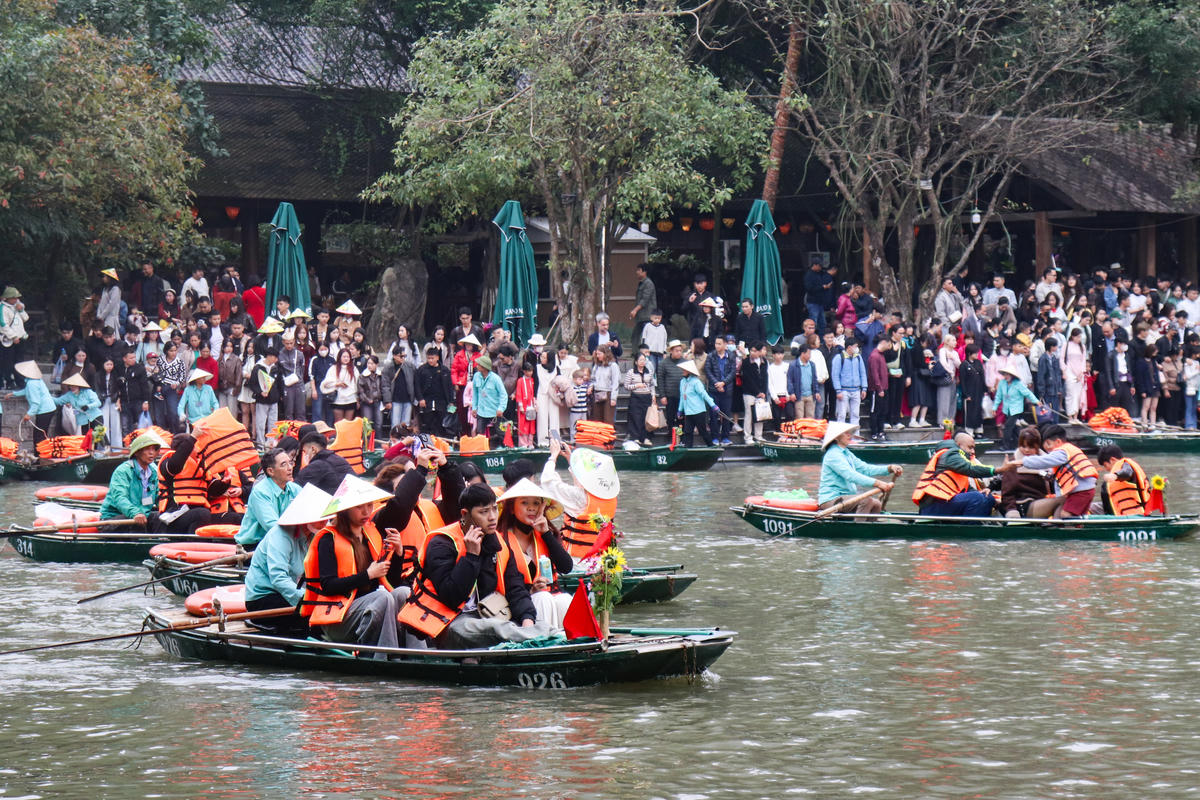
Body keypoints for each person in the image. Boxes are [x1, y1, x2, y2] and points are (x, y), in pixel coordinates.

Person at [300, 475, 412, 656]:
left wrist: (398, 553)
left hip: (369, 611)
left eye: (369, 505)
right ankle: (387, 657)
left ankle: (417, 654)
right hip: (338, 618)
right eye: (359, 507)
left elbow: (390, 581)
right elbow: (328, 586)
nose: (366, 512)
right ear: (345, 510)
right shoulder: (328, 539)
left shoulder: (370, 533)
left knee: (403, 593)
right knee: (383, 599)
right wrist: (367, 575)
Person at [495, 478, 575, 631]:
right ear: (511, 508)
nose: (531, 508)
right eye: (524, 503)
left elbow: (566, 567)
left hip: (546, 599)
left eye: (536, 503)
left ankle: (568, 645)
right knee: (543, 598)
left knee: (564, 599)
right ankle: (541, 644)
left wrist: (546, 533)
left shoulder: (546, 535)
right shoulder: (501, 540)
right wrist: (531, 590)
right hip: (515, 607)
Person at [541, 441, 619, 559]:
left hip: (576, 560)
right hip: (599, 561)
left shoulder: (580, 498)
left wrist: (553, 457)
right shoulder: (611, 498)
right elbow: (583, 488)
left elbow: (548, 482)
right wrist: (570, 458)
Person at [912, 432, 1014, 517]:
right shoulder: (950, 454)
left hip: (941, 504)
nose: (973, 451)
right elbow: (971, 469)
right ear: (959, 445)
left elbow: (966, 488)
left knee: (987, 497)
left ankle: (974, 527)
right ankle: (970, 530)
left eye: (974, 448)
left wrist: (994, 500)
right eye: (970, 448)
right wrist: (999, 469)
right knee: (978, 498)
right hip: (933, 506)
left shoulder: (957, 459)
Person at [1014, 424, 1098, 519]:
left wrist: (1023, 461)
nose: (1047, 448)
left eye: (1049, 444)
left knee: (1066, 515)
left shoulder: (1062, 451)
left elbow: (1045, 461)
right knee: (1077, 516)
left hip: (1081, 491)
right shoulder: (1069, 449)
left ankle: (1067, 532)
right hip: (1086, 489)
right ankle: (1066, 528)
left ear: (1058, 441)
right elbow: (1053, 469)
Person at [817, 422, 901, 514]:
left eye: (850, 432)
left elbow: (865, 468)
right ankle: (859, 527)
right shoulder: (833, 454)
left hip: (846, 497)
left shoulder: (846, 453)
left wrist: (889, 468)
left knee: (876, 504)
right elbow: (851, 475)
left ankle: (871, 526)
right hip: (831, 499)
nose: (850, 435)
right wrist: (878, 483)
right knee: (866, 501)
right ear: (837, 437)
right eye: (846, 433)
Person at [236, 448, 301, 546]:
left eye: (290, 463)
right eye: (284, 465)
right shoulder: (260, 492)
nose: (290, 468)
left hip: (281, 541)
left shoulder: (294, 488)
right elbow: (272, 526)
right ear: (270, 471)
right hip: (255, 545)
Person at [98, 432, 164, 526]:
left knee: (161, 518)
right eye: (147, 449)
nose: (151, 453)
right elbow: (120, 498)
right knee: (137, 525)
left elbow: (160, 495)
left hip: (142, 515)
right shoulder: (123, 471)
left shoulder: (153, 472)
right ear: (137, 452)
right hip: (114, 517)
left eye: (153, 449)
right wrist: (135, 513)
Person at [998, 426, 1055, 518]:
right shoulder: (1012, 463)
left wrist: (1051, 478)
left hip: (1041, 502)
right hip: (1020, 506)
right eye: (1023, 446)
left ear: (1038, 446)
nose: (1026, 450)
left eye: (1031, 447)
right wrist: (1011, 510)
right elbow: (1007, 492)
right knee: (1061, 502)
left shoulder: (1047, 463)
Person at [1097, 444, 1150, 517]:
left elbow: (1128, 472)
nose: (1106, 469)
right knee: (1092, 507)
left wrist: (1115, 475)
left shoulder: (1126, 465)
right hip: (1117, 512)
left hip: (1135, 514)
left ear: (1112, 460)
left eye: (1106, 465)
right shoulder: (1108, 483)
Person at [994, 365, 1040, 448]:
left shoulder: (1018, 384)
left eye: (1008, 374)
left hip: (1016, 409)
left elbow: (1028, 393)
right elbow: (998, 396)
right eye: (1005, 374)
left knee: (1008, 426)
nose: (1006, 376)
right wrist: (995, 407)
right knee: (1015, 427)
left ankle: (1005, 445)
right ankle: (1020, 443)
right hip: (1007, 409)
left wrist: (1036, 401)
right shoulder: (1002, 383)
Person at [678, 360, 717, 447]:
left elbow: (704, 394)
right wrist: (680, 410)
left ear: (689, 371)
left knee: (702, 431)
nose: (683, 371)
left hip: (698, 411)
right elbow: (682, 397)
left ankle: (711, 446)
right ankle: (688, 449)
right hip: (688, 412)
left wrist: (713, 405)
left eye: (684, 370)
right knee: (688, 432)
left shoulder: (696, 382)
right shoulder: (682, 382)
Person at [706, 335, 736, 445]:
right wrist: (717, 384)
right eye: (716, 343)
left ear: (725, 344)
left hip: (727, 389)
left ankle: (725, 437)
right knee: (713, 415)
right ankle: (714, 437)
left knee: (726, 414)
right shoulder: (711, 356)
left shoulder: (731, 356)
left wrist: (723, 383)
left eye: (719, 343)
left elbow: (732, 372)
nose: (717, 346)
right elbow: (708, 371)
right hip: (714, 389)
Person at [471, 354, 508, 443]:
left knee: (500, 432)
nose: (477, 366)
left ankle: (506, 448)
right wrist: (474, 408)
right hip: (482, 411)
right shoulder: (476, 376)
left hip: (494, 411)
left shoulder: (496, 379)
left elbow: (503, 394)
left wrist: (501, 408)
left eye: (479, 364)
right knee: (480, 433)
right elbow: (475, 393)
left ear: (484, 367)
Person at [251, 347, 284, 445]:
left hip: (274, 400)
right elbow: (252, 384)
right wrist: (259, 392)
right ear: (269, 356)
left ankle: (271, 443)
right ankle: (260, 442)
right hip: (262, 400)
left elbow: (279, 383)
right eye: (275, 357)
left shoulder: (276, 368)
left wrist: (280, 395)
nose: (276, 360)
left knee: (273, 423)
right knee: (261, 423)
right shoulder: (258, 368)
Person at [831, 339, 868, 425]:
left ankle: (855, 437)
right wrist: (838, 390)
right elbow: (835, 375)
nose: (857, 348)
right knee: (842, 414)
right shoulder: (839, 358)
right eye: (855, 346)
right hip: (843, 390)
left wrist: (864, 388)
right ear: (849, 347)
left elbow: (862, 373)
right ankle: (841, 436)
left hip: (856, 389)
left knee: (855, 415)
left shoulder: (858, 357)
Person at [0, 287, 30, 390]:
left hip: (21, 338)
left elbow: (26, 318)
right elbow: (3, 324)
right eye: (13, 298)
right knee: (8, 361)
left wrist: (21, 310)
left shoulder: (17, 306)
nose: (16, 300)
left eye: (17, 298)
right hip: (9, 340)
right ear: (7, 298)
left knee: (19, 361)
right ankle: (9, 381)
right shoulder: (3, 308)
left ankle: (20, 381)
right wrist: (13, 336)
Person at [624, 352, 655, 446]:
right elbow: (626, 386)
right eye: (640, 360)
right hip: (636, 397)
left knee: (647, 418)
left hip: (647, 396)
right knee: (636, 417)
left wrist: (653, 395)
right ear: (636, 362)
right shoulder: (631, 372)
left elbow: (652, 385)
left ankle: (646, 437)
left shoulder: (648, 371)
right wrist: (636, 385)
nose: (642, 362)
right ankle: (636, 437)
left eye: (644, 360)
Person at [739, 341, 768, 444]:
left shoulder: (764, 361)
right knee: (749, 415)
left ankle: (758, 436)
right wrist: (757, 392)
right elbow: (747, 378)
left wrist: (763, 392)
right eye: (751, 350)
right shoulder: (746, 362)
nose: (753, 353)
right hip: (749, 392)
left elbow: (765, 378)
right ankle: (748, 437)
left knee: (760, 415)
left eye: (755, 351)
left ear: (760, 352)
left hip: (761, 392)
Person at [630, 263, 656, 344]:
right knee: (636, 335)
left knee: (645, 337)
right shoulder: (642, 283)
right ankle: (636, 353)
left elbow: (645, 300)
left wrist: (635, 310)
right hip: (642, 316)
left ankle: (643, 353)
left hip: (647, 316)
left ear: (645, 272)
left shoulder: (648, 283)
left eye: (639, 270)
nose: (637, 272)